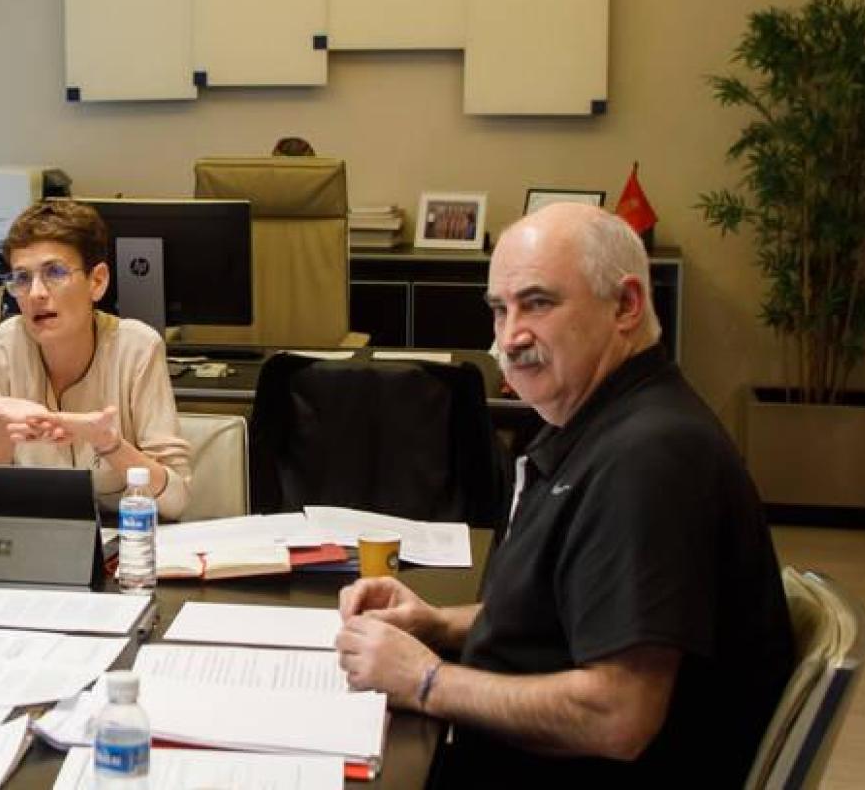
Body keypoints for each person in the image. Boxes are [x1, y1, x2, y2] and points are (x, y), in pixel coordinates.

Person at [332, 203, 792, 786]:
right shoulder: (601, 421)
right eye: (500, 311)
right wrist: (438, 625)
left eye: (538, 303)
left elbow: (618, 715)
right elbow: (567, 614)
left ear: (626, 306)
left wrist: (426, 681)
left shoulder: (650, 460)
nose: (510, 336)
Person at [0, 199, 191, 518]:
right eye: (22, 278)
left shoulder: (137, 347)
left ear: (97, 282)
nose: (36, 293)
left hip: (125, 545)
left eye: (55, 272)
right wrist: (0, 436)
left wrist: (109, 443)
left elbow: (176, 501)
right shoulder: (4, 346)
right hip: (35, 543)